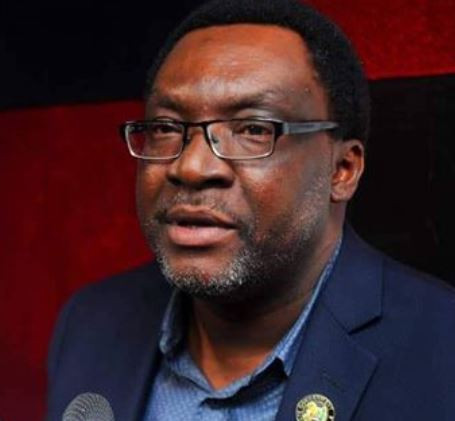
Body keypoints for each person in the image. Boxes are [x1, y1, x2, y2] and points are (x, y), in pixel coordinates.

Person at [46, 0, 455, 420]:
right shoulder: (91, 324)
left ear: (342, 170)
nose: (191, 167)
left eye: (253, 129)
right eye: (166, 128)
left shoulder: (442, 348)